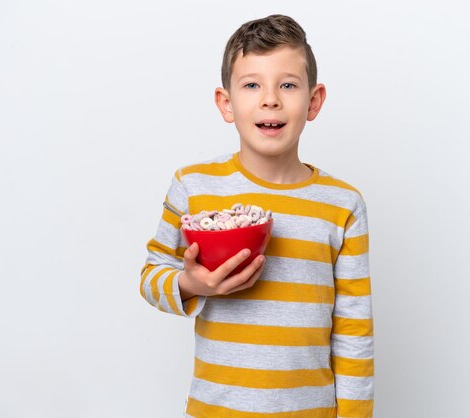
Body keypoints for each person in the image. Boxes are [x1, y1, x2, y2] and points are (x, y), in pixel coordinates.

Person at [140, 14, 374, 418]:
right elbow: (151, 276)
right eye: (252, 85)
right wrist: (191, 283)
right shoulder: (194, 187)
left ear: (314, 101)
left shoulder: (343, 204)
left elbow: (354, 328)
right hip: (216, 409)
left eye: (287, 84)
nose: (270, 99)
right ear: (226, 103)